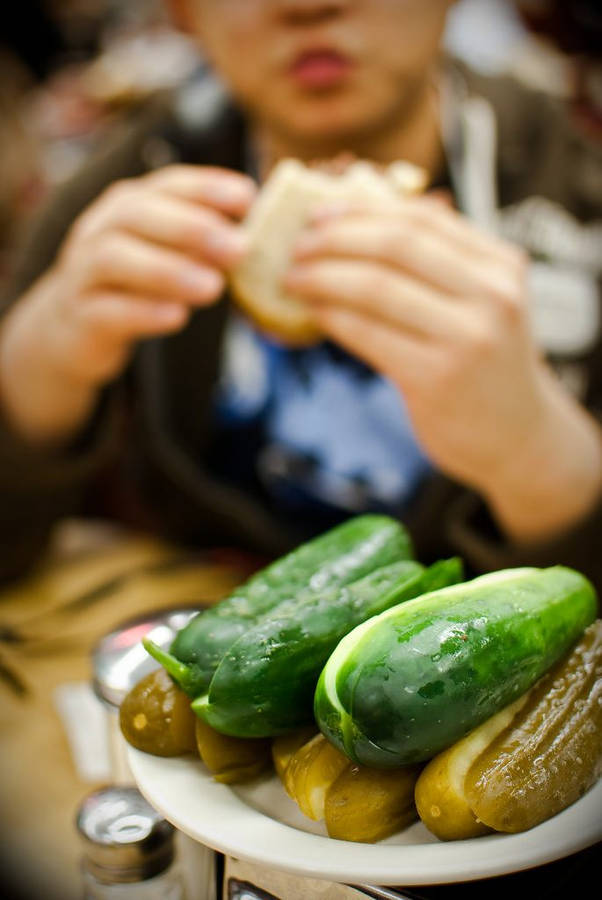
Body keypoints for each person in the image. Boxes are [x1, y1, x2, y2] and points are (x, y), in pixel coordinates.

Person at [0, 0, 600, 585]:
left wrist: (537, 455)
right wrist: (37, 371)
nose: (308, 7)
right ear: (185, 13)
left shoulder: (577, 185)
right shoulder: (120, 190)